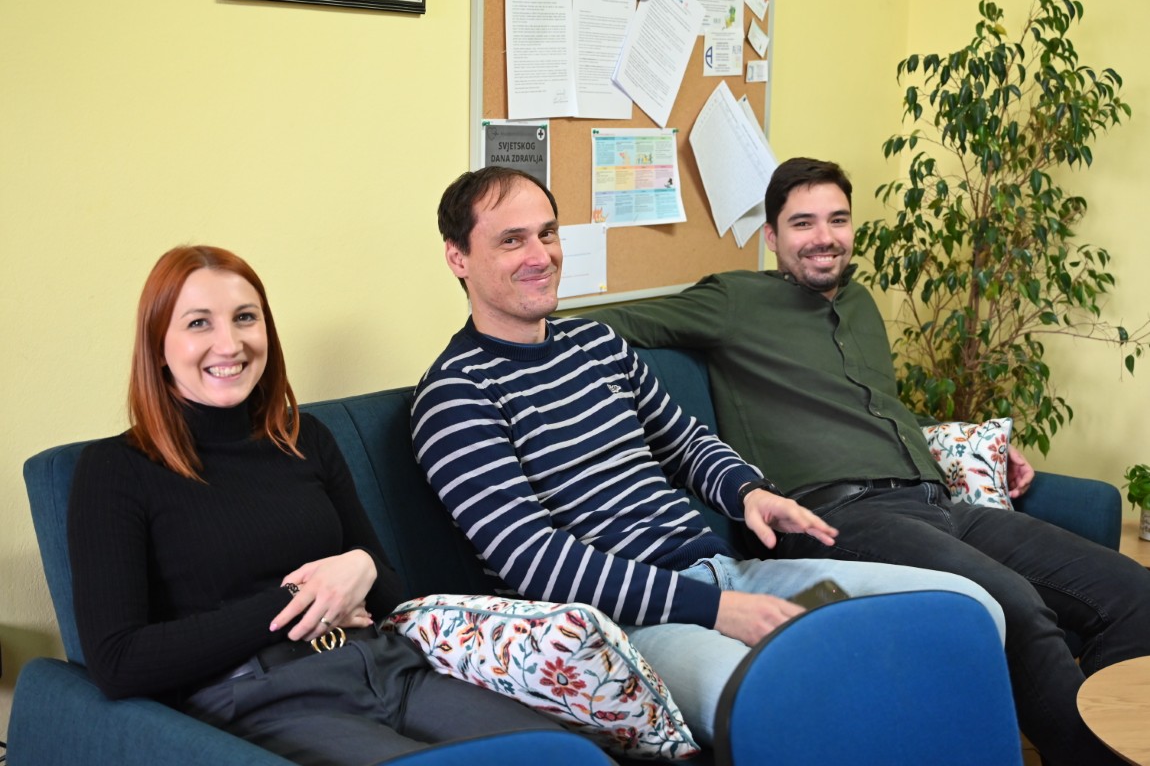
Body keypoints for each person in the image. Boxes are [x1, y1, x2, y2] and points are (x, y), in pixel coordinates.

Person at [410, 166, 1005, 747]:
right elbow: (537, 562)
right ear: (458, 258)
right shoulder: (455, 394)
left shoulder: (597, 344)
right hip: (627, 625)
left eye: (547, 233)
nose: (541, 255)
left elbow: (685, 443)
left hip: (728, 572)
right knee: (789, 695)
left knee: (970, 611)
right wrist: (717, 610)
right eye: (511, 240)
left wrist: (750, 493)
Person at [585, 157, 1150, 765]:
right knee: (1010, 604)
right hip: (838, 517)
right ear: (771, 236)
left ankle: (1119, 739)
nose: (823, 237)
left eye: (837, 220)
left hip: (938, 505)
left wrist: (971, 439)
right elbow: (607, 323)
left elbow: (877, 408)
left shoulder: (859, 303)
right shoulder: (733, 299)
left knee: (1132, 592)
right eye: (802, 223)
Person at [68, 245, 575, 766]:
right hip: (265, 700)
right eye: (199, 323)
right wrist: (301, 598)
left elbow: (388, 592)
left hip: (387, 668)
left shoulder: (304, 437)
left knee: (566, 756)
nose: (230, 343)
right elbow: (117, 662)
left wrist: (360, 566)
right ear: (158, 345)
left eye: (245, 318)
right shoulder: (115, 469)